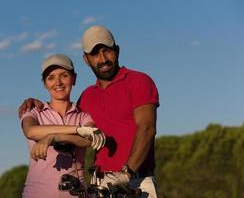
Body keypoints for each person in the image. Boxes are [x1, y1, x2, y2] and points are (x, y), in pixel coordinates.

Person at [19, 25, 159, 198]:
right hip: (100, 185)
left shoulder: (138, 81)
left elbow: (147, 129)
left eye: (107, 50)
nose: (102, 58)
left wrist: (126, 173)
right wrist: (35, 102)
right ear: (86, 59)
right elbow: (81, 132)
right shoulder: (86, 97)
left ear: (117, 50)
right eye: (94, 54)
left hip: (136, 180)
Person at [20, 54, 105, 198]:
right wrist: (77, 130)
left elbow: (90, 139)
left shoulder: (83, 116)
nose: (58, 82)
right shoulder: (34, 112)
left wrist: (54, 137)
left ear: (74, 79)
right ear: (45, 83)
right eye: (51, 77)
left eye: (64, 75)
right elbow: (31, 131)